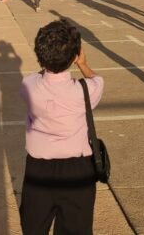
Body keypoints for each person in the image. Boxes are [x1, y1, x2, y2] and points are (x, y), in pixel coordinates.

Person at [19, 19, 103, 234]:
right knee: (77, 227)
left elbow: (37, 77)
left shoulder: (28, 85)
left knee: (33, 226)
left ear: (40, 56)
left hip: (38, 169)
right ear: (75, 56)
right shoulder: (86, 91)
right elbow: (96, 80)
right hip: (78, 170)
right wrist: (82, 64)